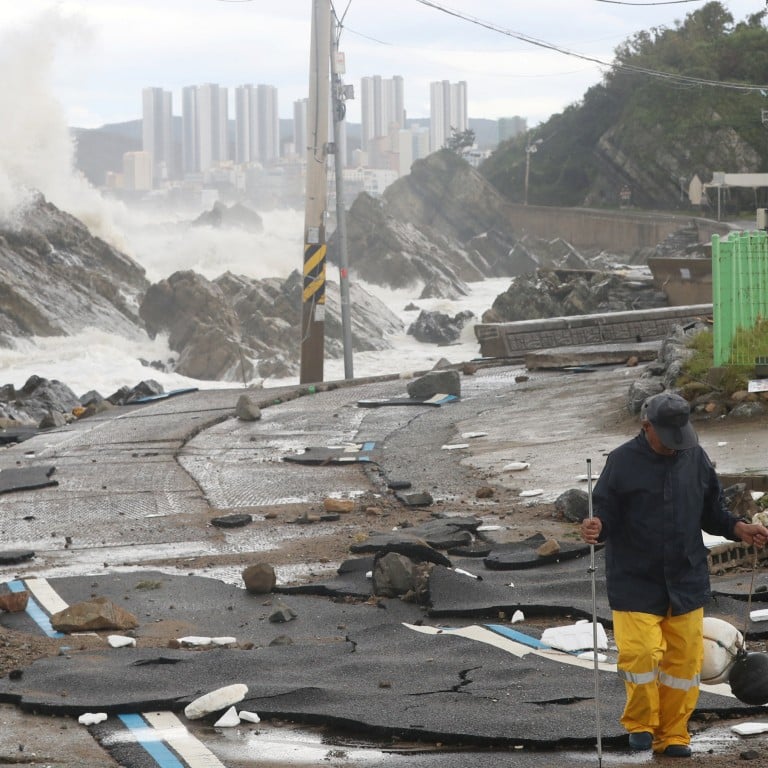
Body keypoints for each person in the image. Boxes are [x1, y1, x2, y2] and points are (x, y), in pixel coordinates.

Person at [580, 391, 768, 758]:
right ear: (646, 426)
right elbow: (604, 514)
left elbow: (712, 512)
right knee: (642, 655)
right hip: (634, 578)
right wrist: (595, 527)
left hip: (686, 577)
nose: (674, 445)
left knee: (683, 663)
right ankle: (640, 724)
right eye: (667, 437)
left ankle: (674, 733)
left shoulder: (694, 458)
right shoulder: (621, 462)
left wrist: (739, 528)